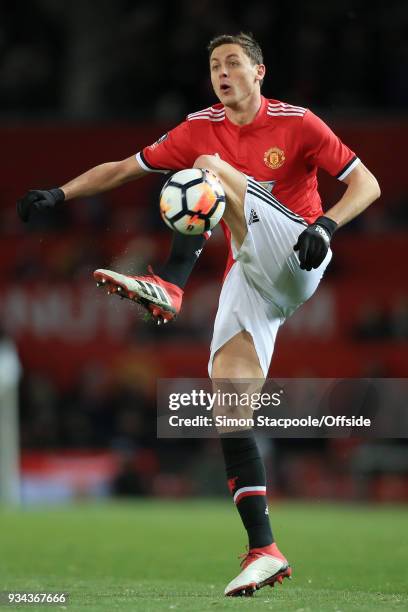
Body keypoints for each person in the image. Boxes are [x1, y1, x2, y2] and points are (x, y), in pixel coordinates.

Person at [17, 33, 380, 597]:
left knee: (208, 167)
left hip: (300, 249)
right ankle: (265, 549)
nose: (223, 73)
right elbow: (123, 168)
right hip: (253, 275)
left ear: (260, 72)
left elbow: (368, 183)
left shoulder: (298, 121)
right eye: (214, 65)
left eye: (234, 63)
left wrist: (326, 226)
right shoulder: (197, 124)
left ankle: (170, 282)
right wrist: (59, 196)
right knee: (229, 402)